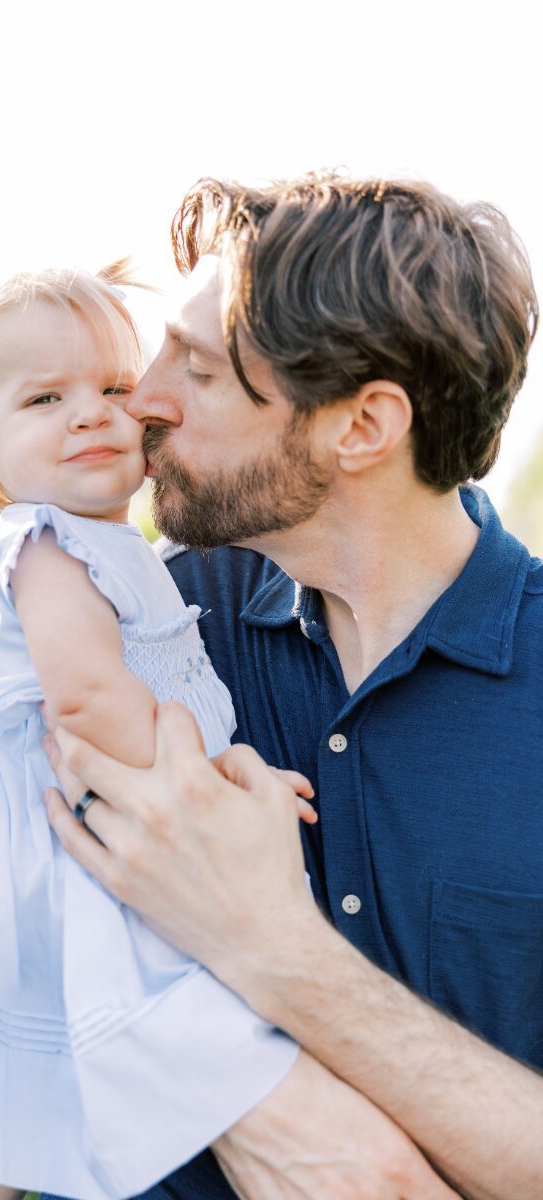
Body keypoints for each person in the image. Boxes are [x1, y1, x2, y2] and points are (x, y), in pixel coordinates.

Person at [40, 173, 543, 1199]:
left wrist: (267, 945)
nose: (140, 398)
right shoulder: (141, 633)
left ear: (360, 426)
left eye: (200, 370)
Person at [0, 257, 315, 1200]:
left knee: (25, 1110)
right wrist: (213, 784)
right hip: (67, 841)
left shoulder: (120, 543)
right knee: (141, 1053)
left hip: (96, 818)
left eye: (115, 387)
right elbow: (89, 698)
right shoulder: (45, 544)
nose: (90, 413)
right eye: (45, 398)